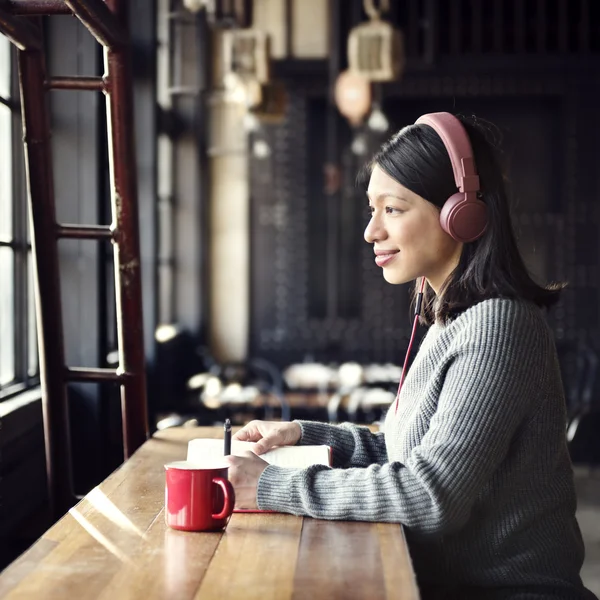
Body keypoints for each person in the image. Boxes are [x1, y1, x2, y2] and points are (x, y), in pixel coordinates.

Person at [224, 112, 597, 600]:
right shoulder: (451, 322)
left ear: (461, 213)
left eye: (393, 209)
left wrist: (271, 487)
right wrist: (302, 433)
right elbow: (401, 454)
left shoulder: (500, 325)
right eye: (371, 209)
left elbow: (429, 493)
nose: (371, 232)